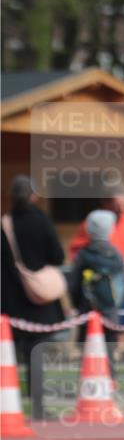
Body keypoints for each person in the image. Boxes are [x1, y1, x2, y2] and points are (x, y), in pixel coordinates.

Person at [1, 175, 66, 419]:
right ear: (33, 196)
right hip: (38, 300)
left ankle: (9, 405)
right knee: (36, 353)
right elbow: (58, 256)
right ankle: (39, 407)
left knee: (8, 354)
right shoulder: (41, 220)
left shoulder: (5, 223)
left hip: (10, 300)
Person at [69, 184, 124, 328]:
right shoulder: (94, 221)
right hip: (100, 284)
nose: (121, 209)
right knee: (103, 324)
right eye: (117, 205)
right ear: (105, 202)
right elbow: (77, 250)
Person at [68, 210, 124, 367]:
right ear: (110, 229)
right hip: (110, 311)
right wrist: (116, 303)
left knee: (86, 353)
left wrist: (78, 305)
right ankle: (110, 382)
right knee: (109, 351)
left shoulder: (83, 255)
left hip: (87, 311)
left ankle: (88, 385)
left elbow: (74, 284)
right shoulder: (116, 255)